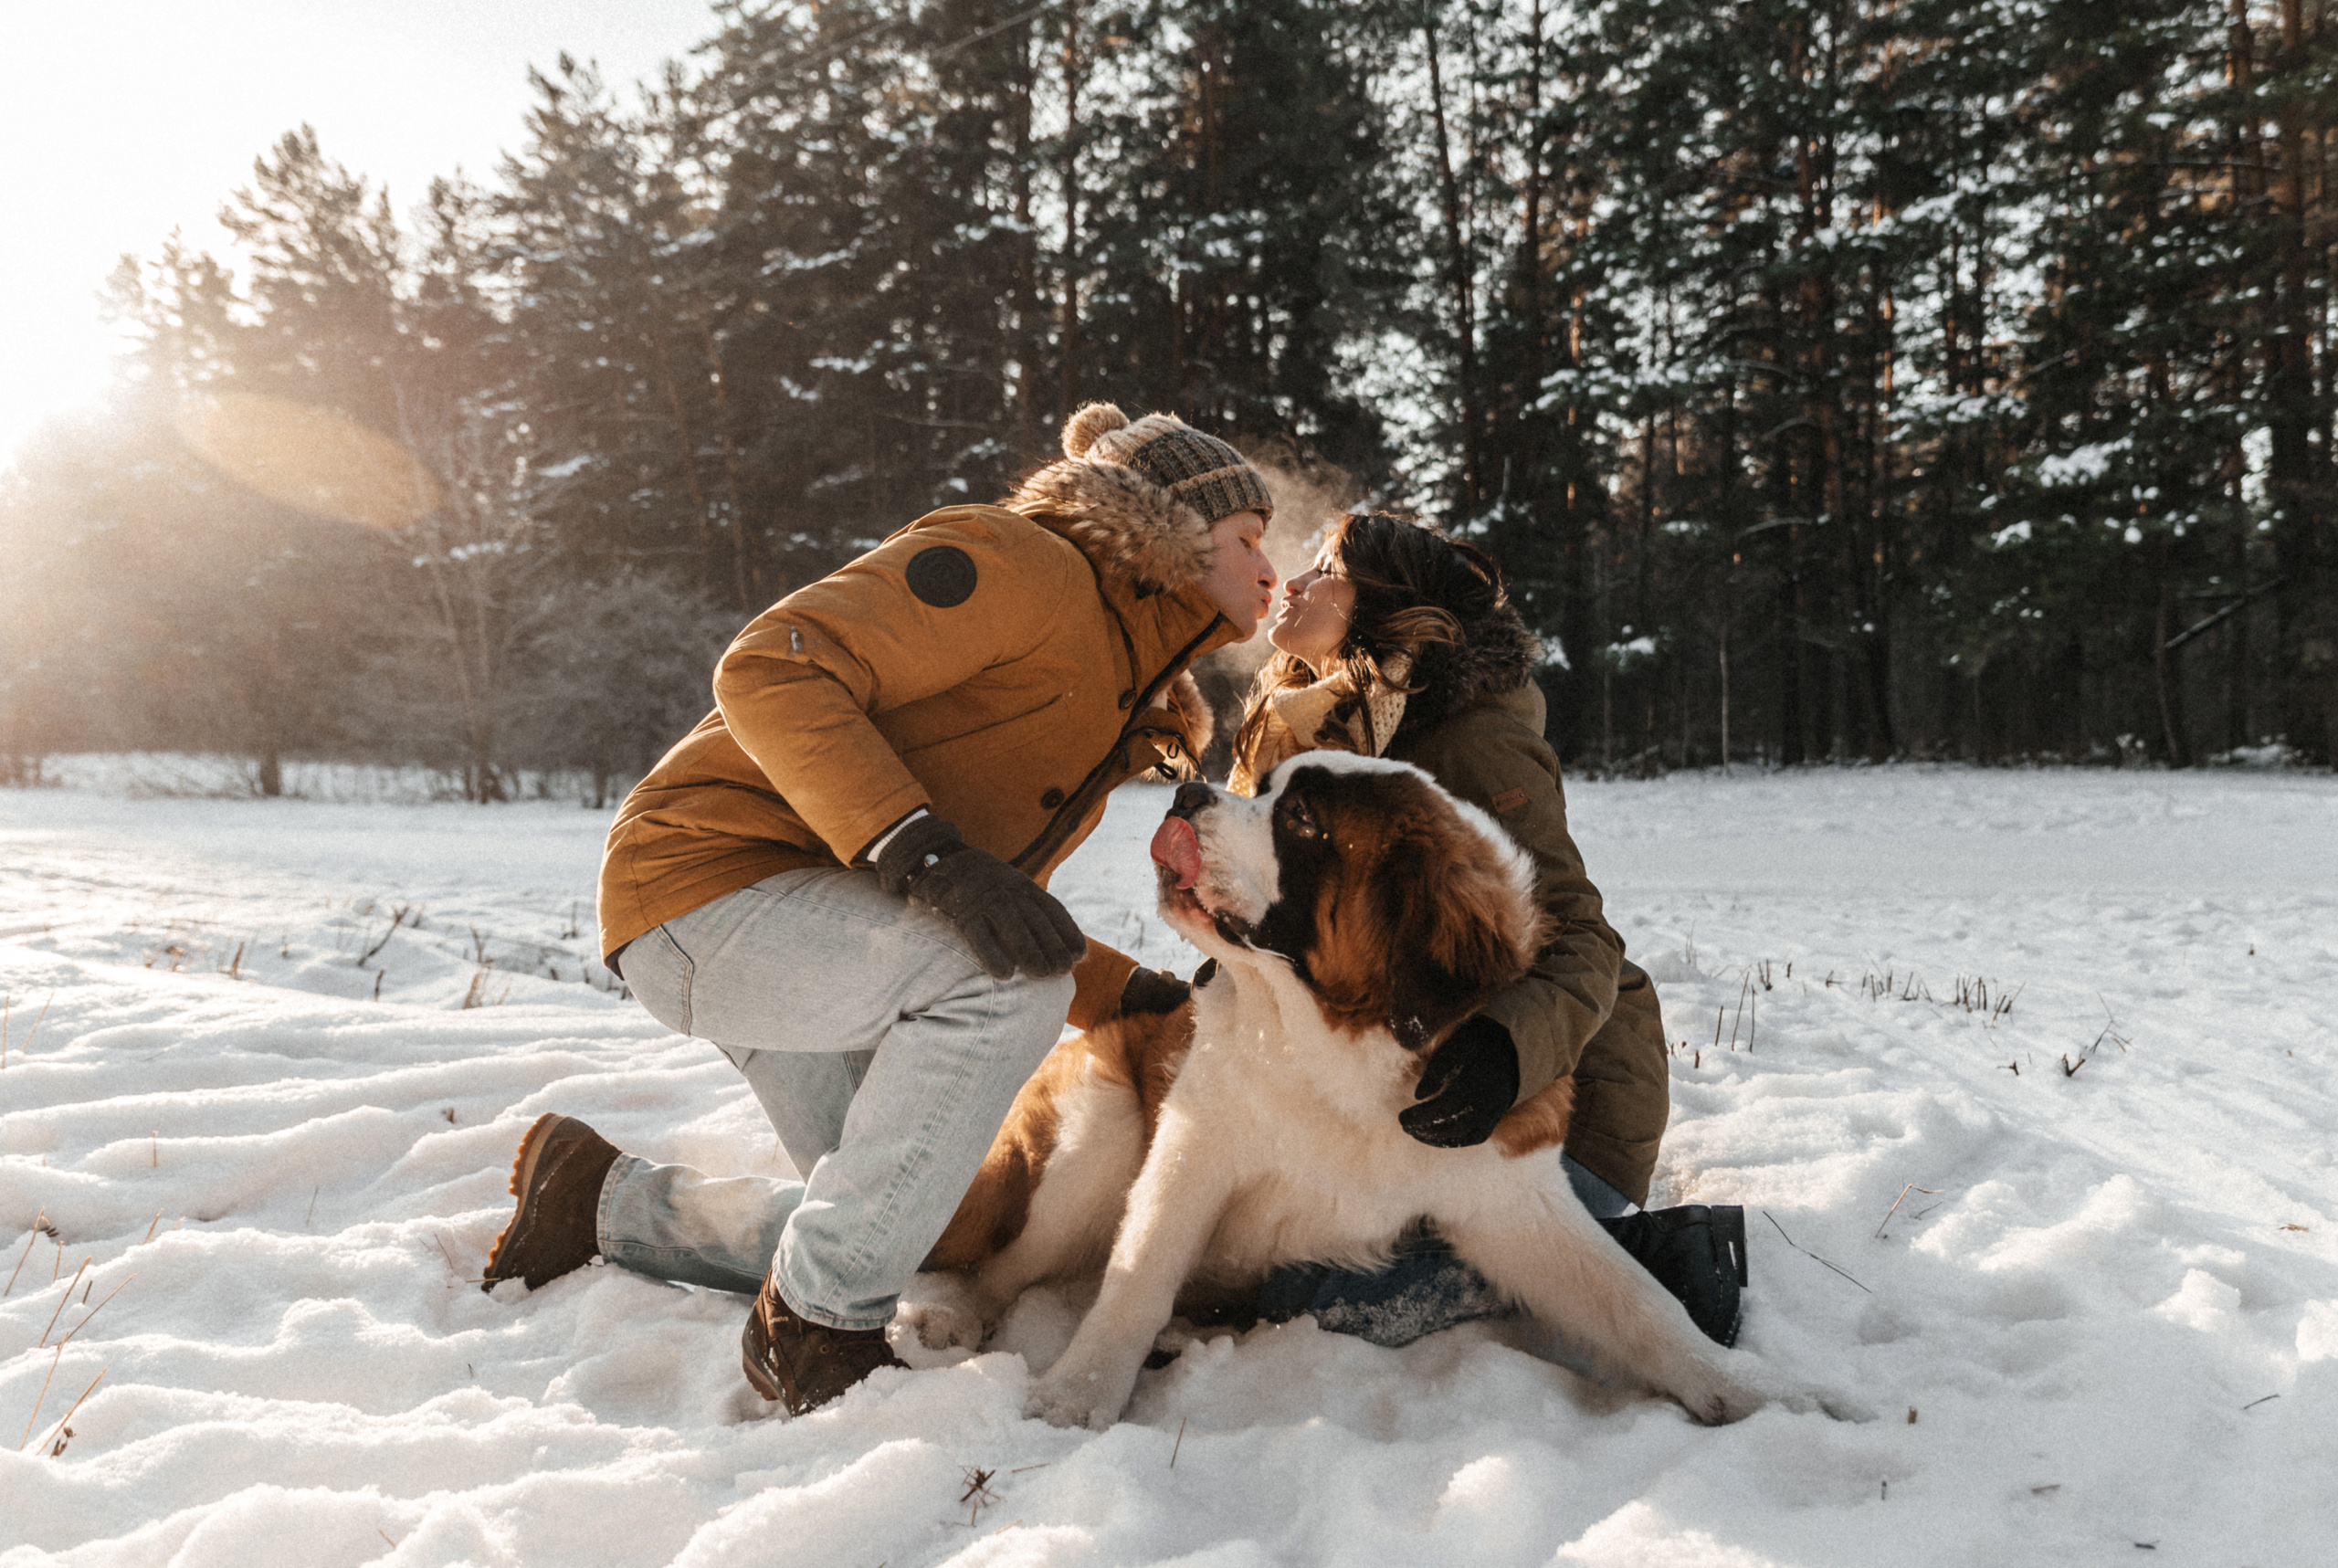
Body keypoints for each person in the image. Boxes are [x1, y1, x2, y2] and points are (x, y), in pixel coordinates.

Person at [479, 402, 1273, 1414]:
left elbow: (990, 910)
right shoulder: (1022, 565)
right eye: (1248, 539)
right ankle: (814, 1330)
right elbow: (771, 666)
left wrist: (1138, 993)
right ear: (1172, 529)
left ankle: (595, 1200)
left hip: (824, 922)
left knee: (922, 1220)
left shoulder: (1115, 685)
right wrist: (921, 851)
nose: (1266, 570)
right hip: (708, 891)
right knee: (989, 1018)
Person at [1227, 511, 1746, 1348]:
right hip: (1409, 1096)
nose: (1294, 582)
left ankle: (1658, 1265)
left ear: (1387, 603)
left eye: (1326, 570)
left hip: (1556, 1101)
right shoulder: (1305, 731)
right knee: (1258, 1271)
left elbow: (1581, 937)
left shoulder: (1470, 736)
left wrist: (1504, 1055)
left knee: (1320, 1309)